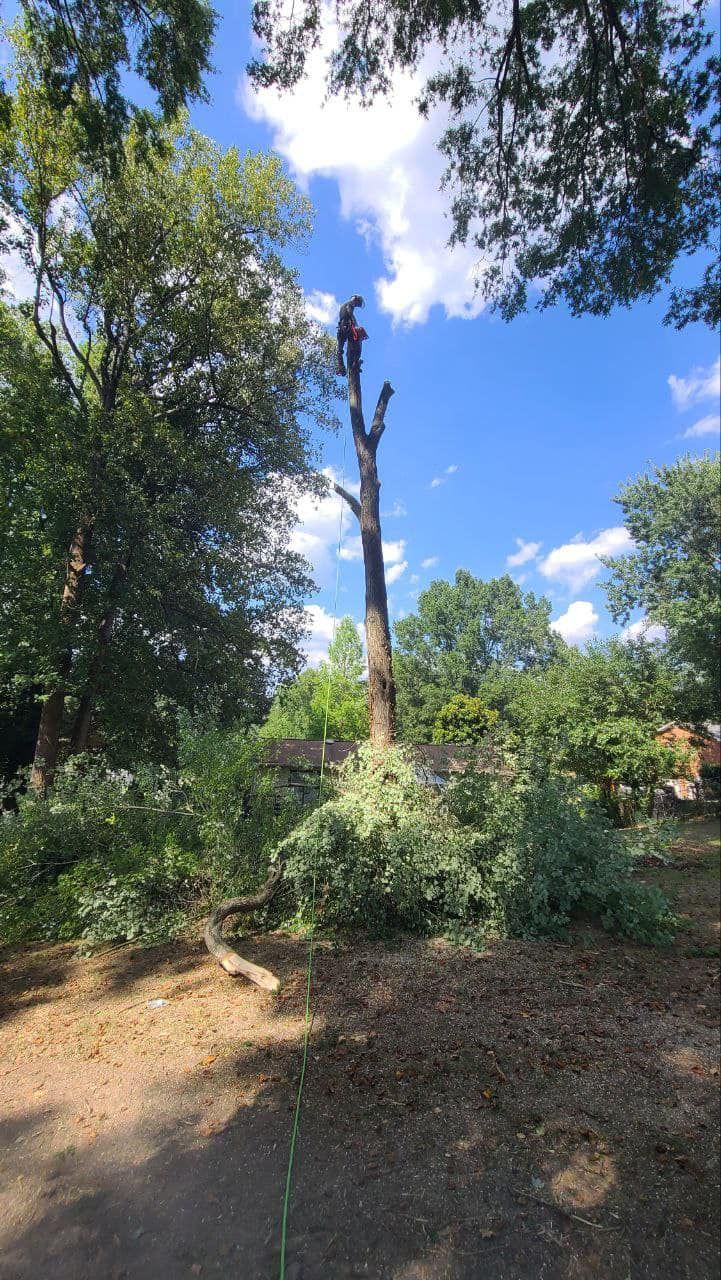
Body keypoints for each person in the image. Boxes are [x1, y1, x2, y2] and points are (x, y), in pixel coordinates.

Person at [336, 294, 366, 375]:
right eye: (357, 303)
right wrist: (356, 324)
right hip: (347, 327)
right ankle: (355, 361)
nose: (356, 305)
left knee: (340, 350)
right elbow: (350, 313)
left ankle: (340, 367)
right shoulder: (350, 304)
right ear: (355, 300)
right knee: (359, 339)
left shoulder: (344, 305)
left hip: (341, 328)